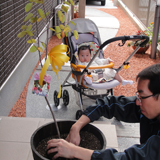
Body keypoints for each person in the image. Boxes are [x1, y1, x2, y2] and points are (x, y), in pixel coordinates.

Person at [47, 63, 160, 160]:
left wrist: (74, 151)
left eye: (142, 97)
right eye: (138, 96)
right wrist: (76, 127)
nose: (137, 102)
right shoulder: (145, 108)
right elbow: (108, 104)